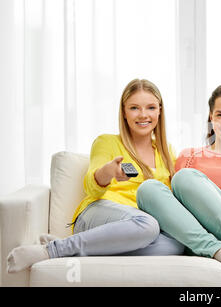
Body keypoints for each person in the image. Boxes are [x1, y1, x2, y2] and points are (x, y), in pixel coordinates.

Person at [7, 78, 186, 273]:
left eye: (150, 107)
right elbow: (91, 186)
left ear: (160, 110)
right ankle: (54, 250)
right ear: (124, 112)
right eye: (134, 108)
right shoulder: (107, 142)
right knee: (148, 225)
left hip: (133, 231)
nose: (143, 115)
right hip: (98, 213)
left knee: (175, 245)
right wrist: (108, 171)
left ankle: (78, 246)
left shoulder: (167, 151)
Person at [136, 83, 221, 280]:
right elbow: (174, 207)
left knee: (185, 176)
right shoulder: (188, 157)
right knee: (148, 189)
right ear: (211, 117)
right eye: (220, 115)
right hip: (199, 236)